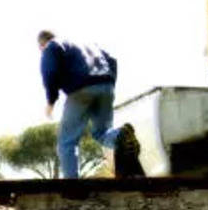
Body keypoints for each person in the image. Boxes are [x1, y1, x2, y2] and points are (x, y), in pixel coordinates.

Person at [37, 30, 136, 178]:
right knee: (102, 133)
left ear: (41, 44)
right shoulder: (86, 44)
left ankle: (73, 186)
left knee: (67, 141)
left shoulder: (52, 46)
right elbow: (112, 59)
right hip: (106, 85)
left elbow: (49, 71)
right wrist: (109, 84)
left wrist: (51, 100)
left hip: (80, 90)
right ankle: (120, 135)